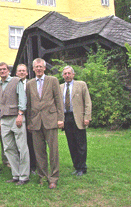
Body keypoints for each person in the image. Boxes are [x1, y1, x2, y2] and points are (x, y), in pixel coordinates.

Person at [26, 58, 64, 189]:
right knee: (39, 151)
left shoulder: (53, 81)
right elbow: (29, 104)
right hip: (36, 122)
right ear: (33, 69)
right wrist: (29, 121)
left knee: (53, 151)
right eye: (36, 67)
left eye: (40, 67)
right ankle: (42, 176)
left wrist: (60, 118)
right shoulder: (30, 84)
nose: (38, 69)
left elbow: (59, 100)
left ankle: (53, 177)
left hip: (51, 120)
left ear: (44, 68)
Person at [0, 62, 30, 185]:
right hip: (4, 120)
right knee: (8, 148)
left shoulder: (16, 81)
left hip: (16, 117)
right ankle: (16, 175)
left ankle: (24, 176)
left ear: (8, 71)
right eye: (0, 69)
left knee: (22, 147)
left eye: (4, 69)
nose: (2, 71)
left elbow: (22, 98)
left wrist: (20, 114)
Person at [60, 66, 92, 176]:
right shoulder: (60, 87)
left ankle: (82, 167)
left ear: (73, 75)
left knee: (81, 143)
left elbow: (87, 102)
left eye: (69, 73)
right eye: (65, 74)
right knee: (71, 143)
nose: (67, 75)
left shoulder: (81, 85)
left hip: (78, 117)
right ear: (63, 76)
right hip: (66, 117)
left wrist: (87, 117)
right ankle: (76, 166)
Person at [16, 64, 36, 175]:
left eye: (24, 71)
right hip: (18, 115)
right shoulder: (14, 84)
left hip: (30, 114)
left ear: (27, 73)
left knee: (30, 141)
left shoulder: (31, 84)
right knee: (19, 141)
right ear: (16, 73)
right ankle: (21, 164)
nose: (22, 72)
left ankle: (33, 165)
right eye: (20, 71)